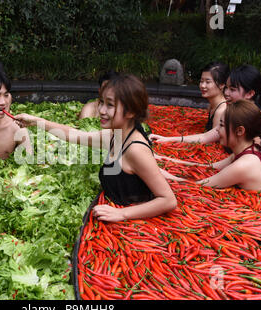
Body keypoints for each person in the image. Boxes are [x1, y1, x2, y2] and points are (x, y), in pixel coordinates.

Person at [15, 74, 177, 222]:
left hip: (134, 222)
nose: (101, 111)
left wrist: (122, 214)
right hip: (112, 209)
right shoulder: (117, 135)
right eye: (102, 103)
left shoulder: (135, 149)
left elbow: (168, 200)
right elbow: (75, 135)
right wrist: (36, 121)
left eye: (110, 105)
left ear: (131, 111)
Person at [160, 100, 261, 192]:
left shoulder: (242, 166)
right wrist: (164, 159)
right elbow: (209, 167)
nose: (217, 131)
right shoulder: (251, 150)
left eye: (221, 125)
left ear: (240, 131)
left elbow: (198, 185)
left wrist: (163, 175)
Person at [150, 64, 261, 145]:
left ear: (250, 93)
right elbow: (206, 137)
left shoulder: (255, 119)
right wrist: (167, 139)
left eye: (232, 89)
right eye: (227, 88)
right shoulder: (236, 112)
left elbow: (251, 158)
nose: (226, 93)